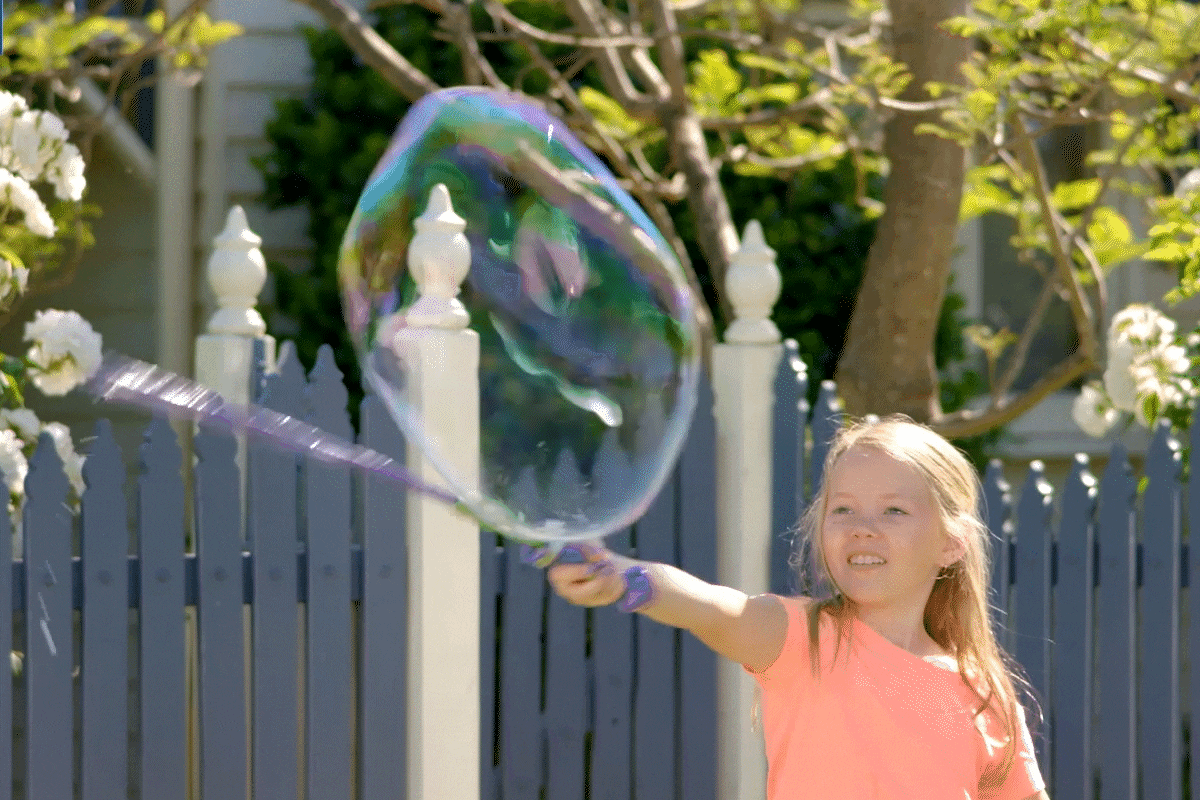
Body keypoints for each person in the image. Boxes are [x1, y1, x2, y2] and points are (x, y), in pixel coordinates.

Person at [531, 415, 1049, 800]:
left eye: (894, 510)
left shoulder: (983, 690)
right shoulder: (805, 639)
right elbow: (714, 608)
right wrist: (626, 578)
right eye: (842, 509)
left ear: (952, 543)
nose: (862, 527)